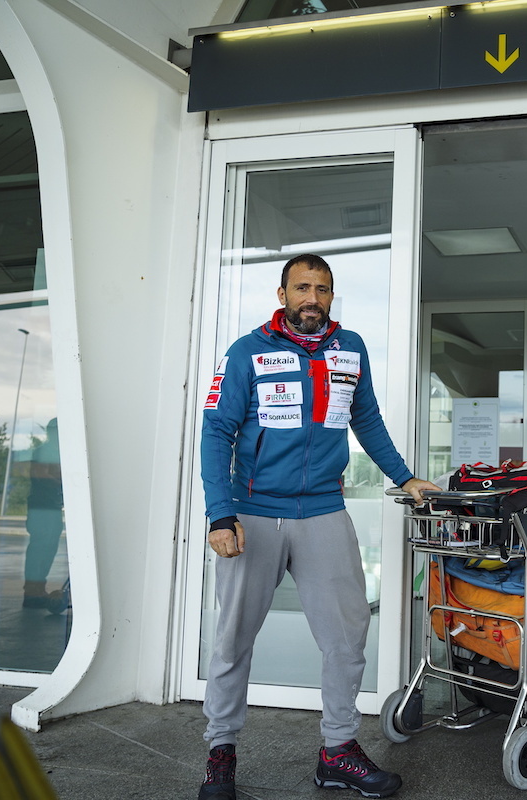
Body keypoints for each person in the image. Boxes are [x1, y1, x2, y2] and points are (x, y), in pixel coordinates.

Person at [198, 253, 438, 800]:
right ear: (282, 294)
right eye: (302, 287)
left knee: (348, 636)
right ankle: (220, 753)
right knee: (233, 639)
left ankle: (337, 751)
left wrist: (405, 478)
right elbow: (216, 433)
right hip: (253, 512)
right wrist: (220, 514)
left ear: (331, 296)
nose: (312, 298)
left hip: (324, 511)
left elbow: (366, 419)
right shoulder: (247, 351)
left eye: (322, 289)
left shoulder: (350, 348)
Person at [19, 418, 67, 613]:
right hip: (42, 507)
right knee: (40, 547)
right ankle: (32, 592)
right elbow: (41, 475)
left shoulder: (58, 452)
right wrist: (66, 482)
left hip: (52, 507)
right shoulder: (44, 451)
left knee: (49, 548)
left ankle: (38, 589)